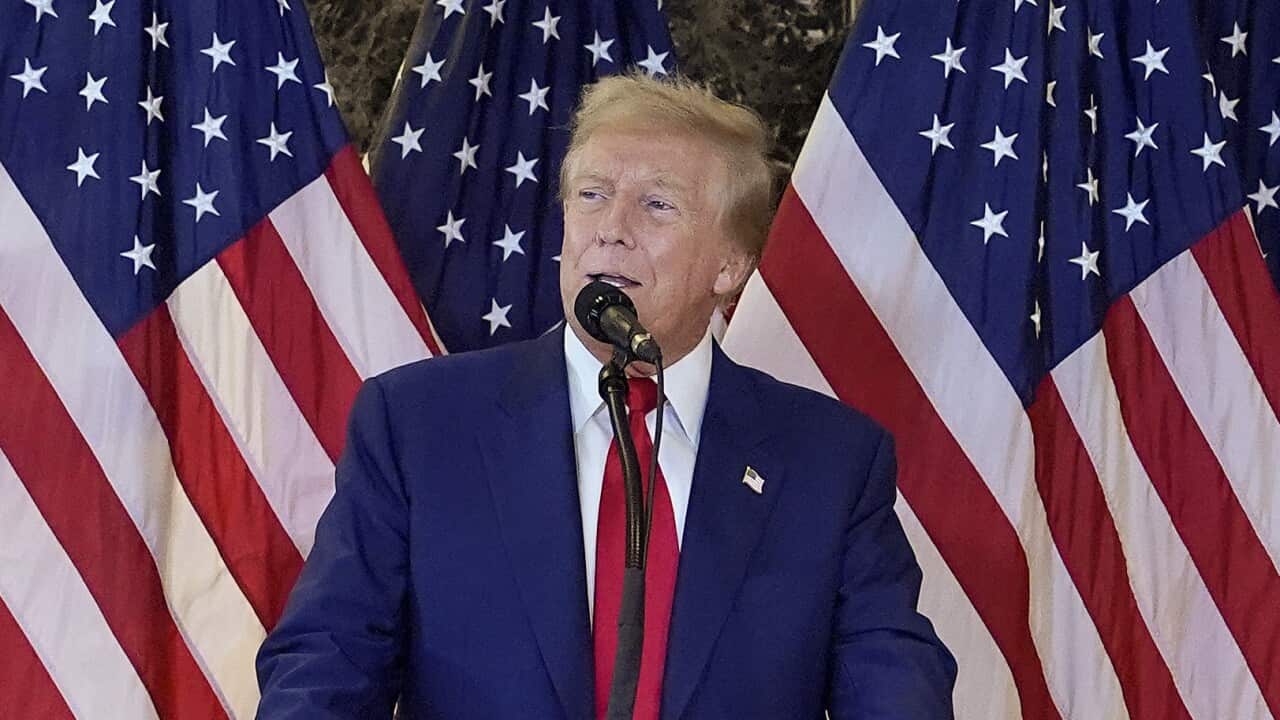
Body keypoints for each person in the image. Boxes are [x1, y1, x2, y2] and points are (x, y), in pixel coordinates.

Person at [256, 73, 957, 719]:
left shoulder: (830, 462)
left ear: (730, 264)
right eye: (592, 195)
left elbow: (896, 690)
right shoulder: (418, 426)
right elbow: (326, 667)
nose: (611, 228)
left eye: (657, 204)